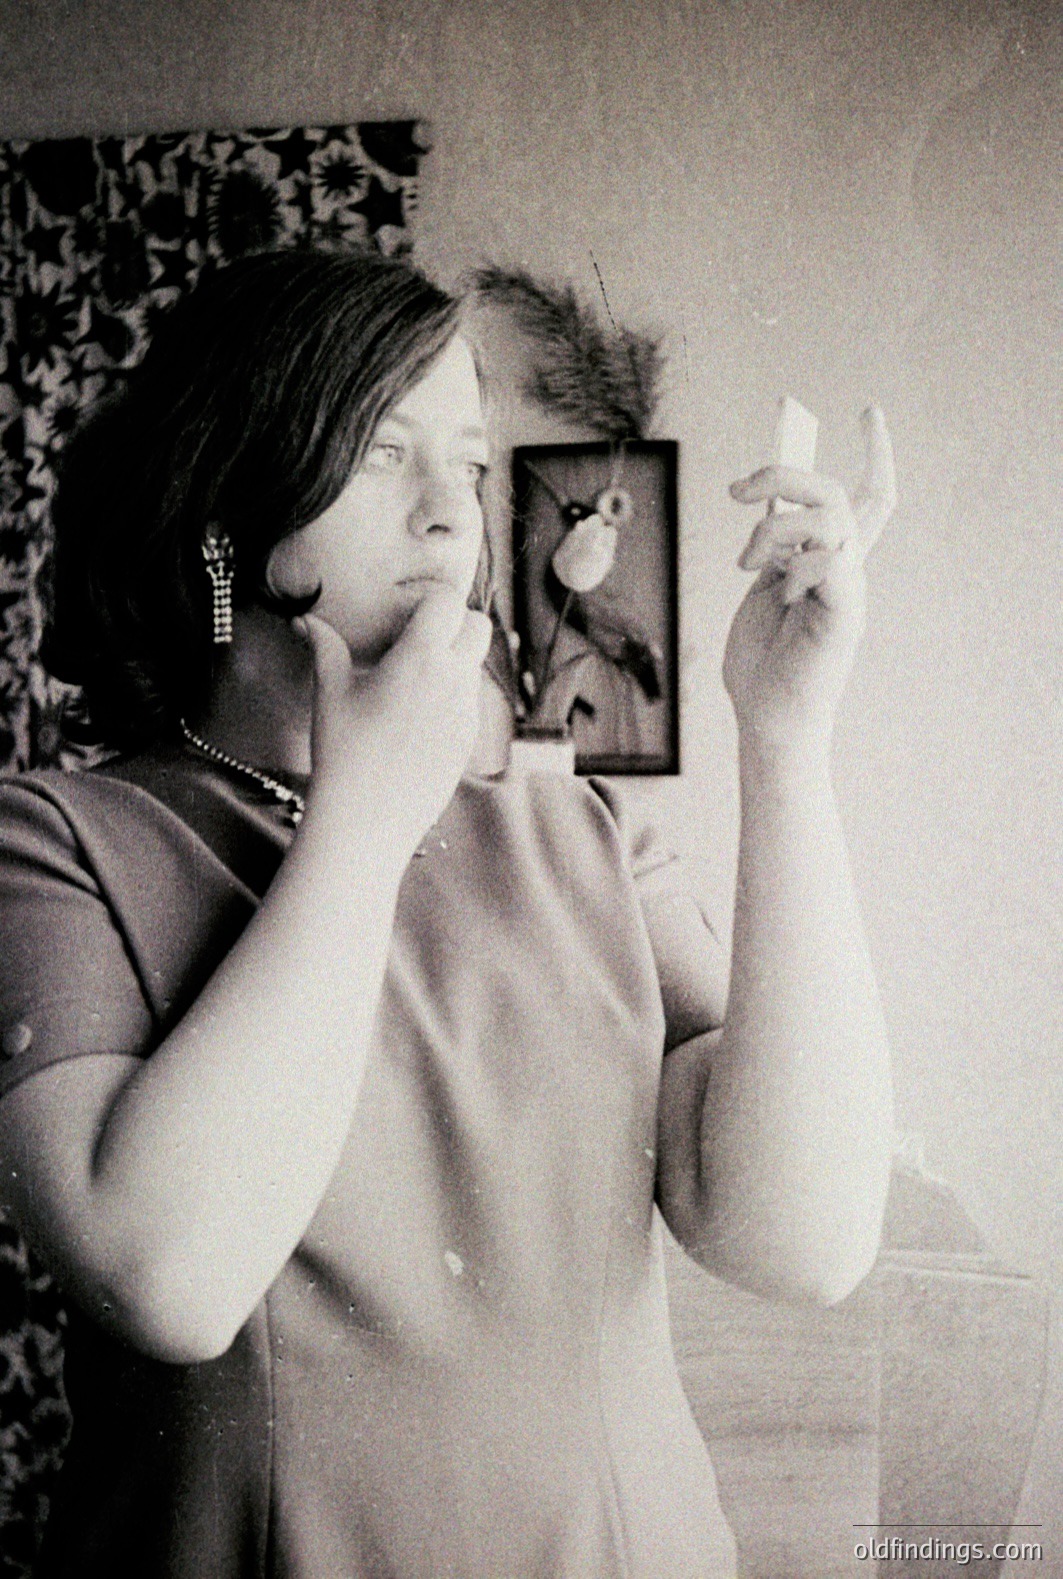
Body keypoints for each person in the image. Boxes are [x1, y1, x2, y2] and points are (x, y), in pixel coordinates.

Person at [0, 246, 896, 1578]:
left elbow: (802, 1242)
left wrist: (786, 735)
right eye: (382, 452)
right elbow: (170, 1275)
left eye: (468, 467)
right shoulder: (53, 842)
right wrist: (364, 821)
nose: (452, 517)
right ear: (222, 513)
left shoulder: (589, 830)